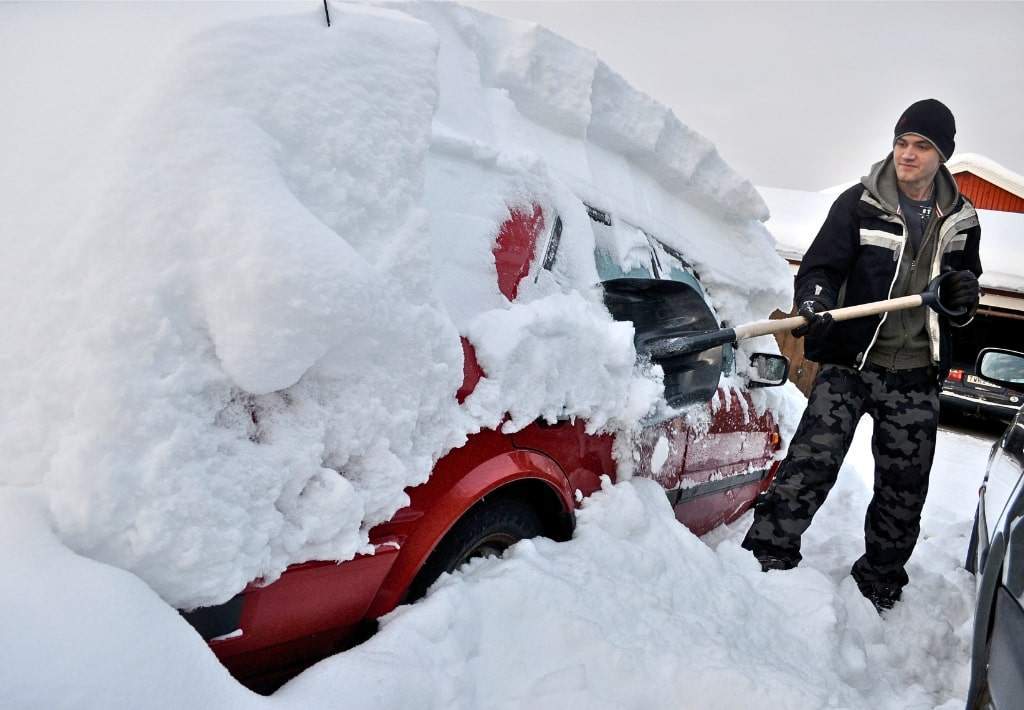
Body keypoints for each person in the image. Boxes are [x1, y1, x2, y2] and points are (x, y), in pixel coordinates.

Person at [742, 99, 983, 612]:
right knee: (811, 463)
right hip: (853, 363)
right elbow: (820, 268)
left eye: (921, 146)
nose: (908, 154)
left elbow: (963, 296)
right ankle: (765, 556)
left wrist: (963, 300)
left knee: (903, 490)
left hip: (916, 374)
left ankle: (878, 584)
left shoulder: (962, 220)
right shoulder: (860, 202)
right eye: (902, 143)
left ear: (942, 156)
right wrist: (814, 301)